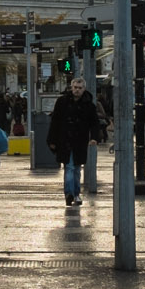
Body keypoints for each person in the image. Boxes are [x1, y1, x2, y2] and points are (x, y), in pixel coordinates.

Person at [48, 78, 102, 207]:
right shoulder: (62, 102)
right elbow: (55, 121)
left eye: (80, 88)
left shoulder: (89, 105)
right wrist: (52, 140)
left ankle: (74, 193)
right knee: (70, 166)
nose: (77, 90)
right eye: (75, 87)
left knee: (75, 168)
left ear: (84, 89)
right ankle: (71, 193)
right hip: (65, 139)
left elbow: (94, 123)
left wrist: (94, 137)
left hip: (80, 141)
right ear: (71, 88)